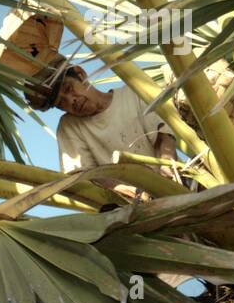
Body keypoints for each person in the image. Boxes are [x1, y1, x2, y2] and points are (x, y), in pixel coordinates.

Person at [23, 59, 178, 199]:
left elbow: (163, 136)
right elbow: (84, 175)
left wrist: (167, 167)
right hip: (130, 211)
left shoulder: (132, 93)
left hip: (175, 188)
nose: (71, 100)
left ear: (80, 74)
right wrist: (129, 192)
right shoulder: (69, 127)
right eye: (61, 102)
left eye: (69, 88)